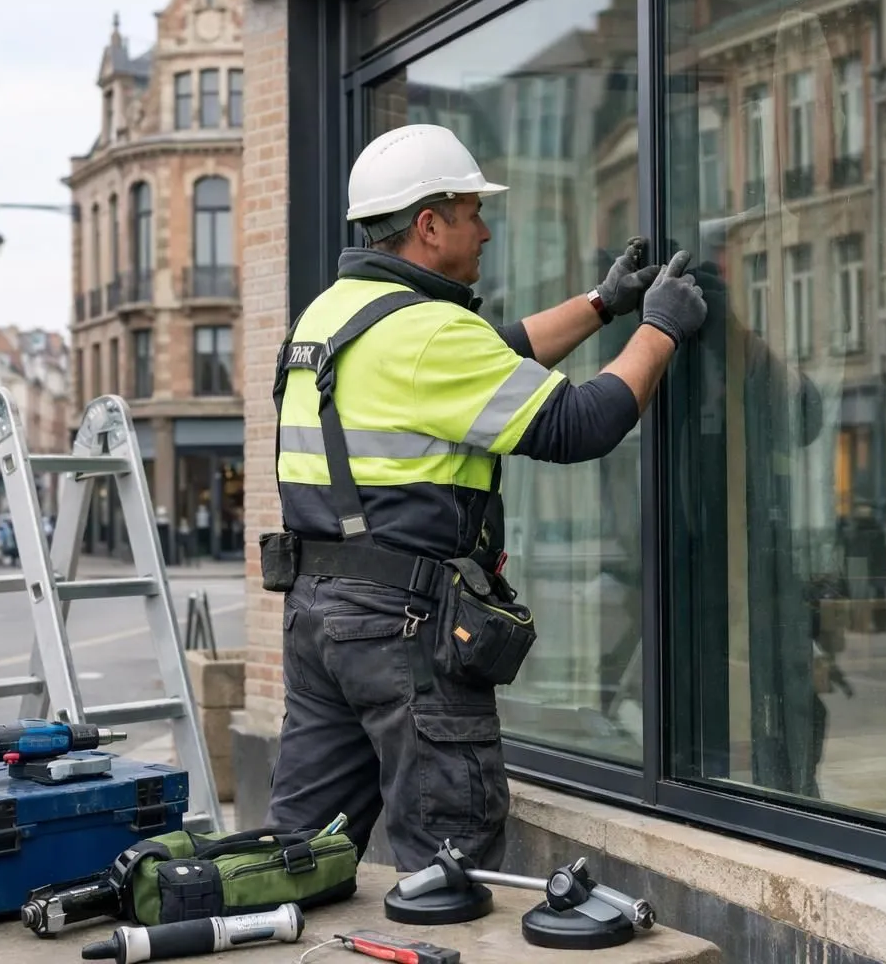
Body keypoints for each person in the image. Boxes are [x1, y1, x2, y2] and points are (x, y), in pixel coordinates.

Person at [263, 123, 708, 870]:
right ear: (429, 226)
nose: (487, 231)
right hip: (402, 631)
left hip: (317, 616)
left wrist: (603, 303)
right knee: (447, 867)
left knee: (300, 854)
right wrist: (660, 330)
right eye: (473, 214)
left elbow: (488, 356)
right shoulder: (432, 332)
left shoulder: (331, 315)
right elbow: (579, 424)